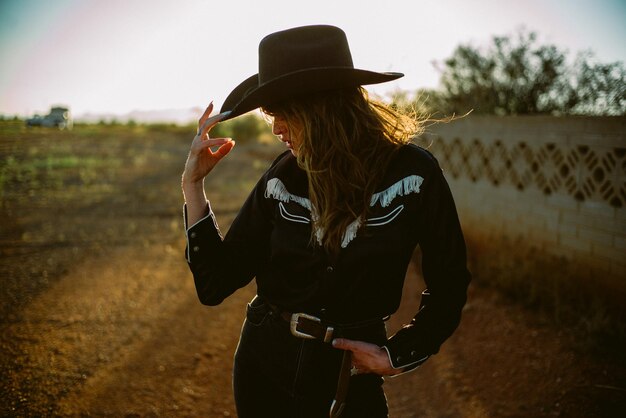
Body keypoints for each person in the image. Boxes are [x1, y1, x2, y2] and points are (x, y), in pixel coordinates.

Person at [182, 25, 471, 418]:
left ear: (321, 106)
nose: (276, 128)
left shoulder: (413, 175)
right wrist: (193, 185)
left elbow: (450, 281)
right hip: (264, 366)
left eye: (283, 113)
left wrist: (398, 354)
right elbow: (214, 283)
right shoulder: (282, 178)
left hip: (349, 378)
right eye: (271, 115)